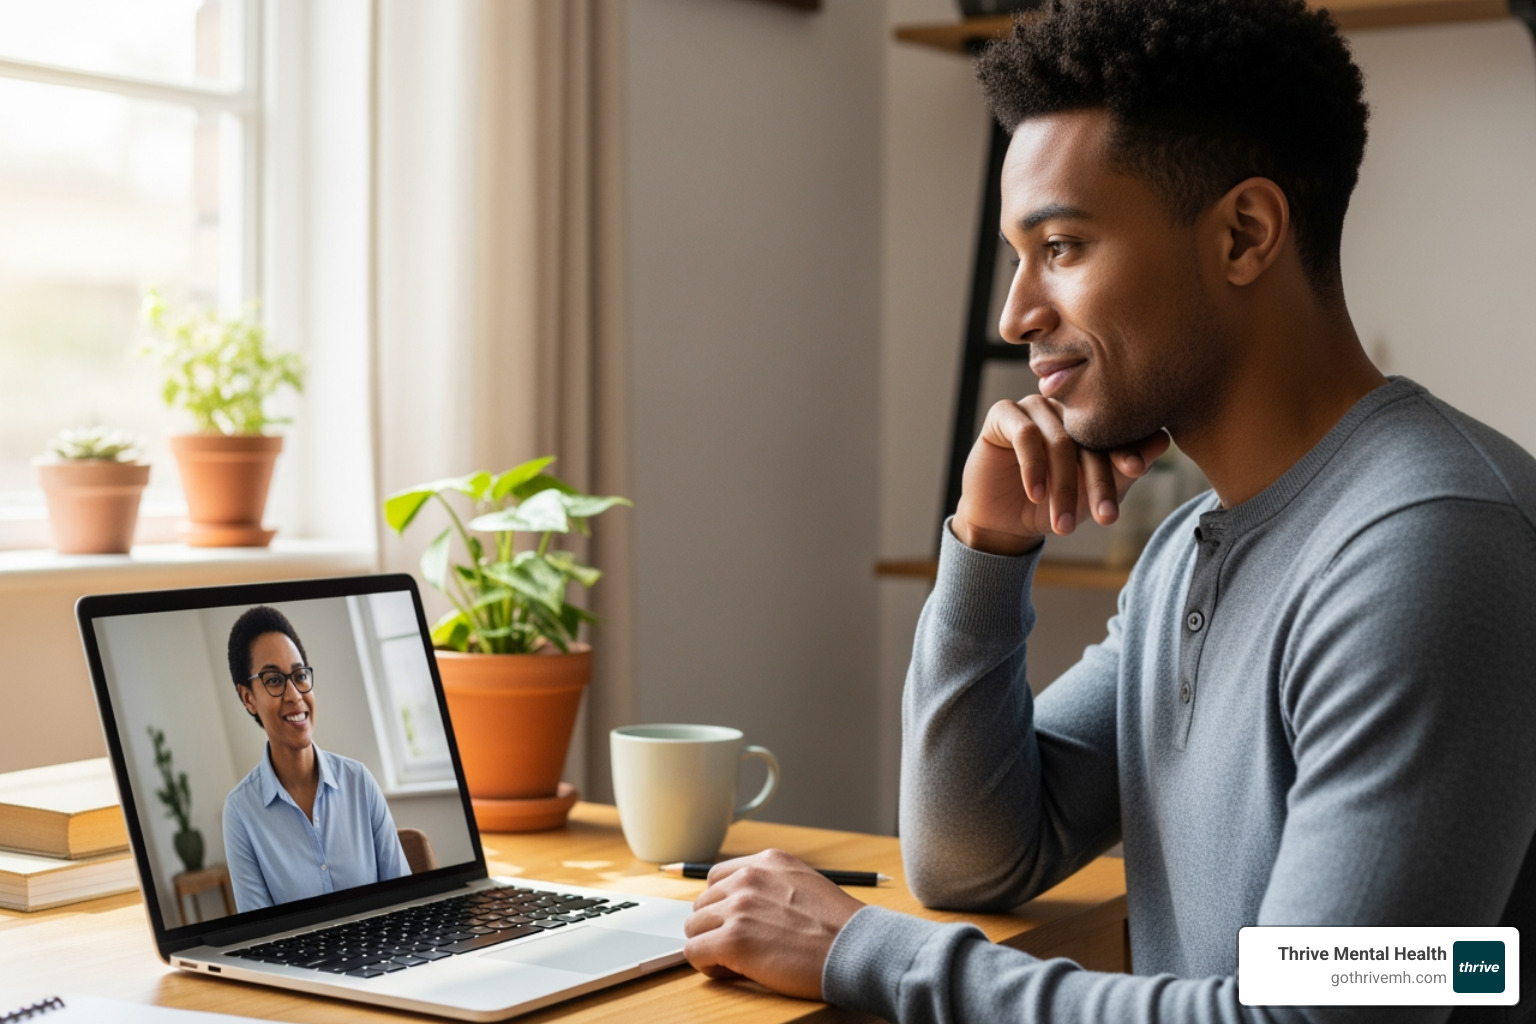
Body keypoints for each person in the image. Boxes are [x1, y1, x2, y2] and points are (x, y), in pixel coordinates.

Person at [681, 1, 1536, 1020]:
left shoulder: (1431, 548)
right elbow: (971, 855)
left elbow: (1324, 1011)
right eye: (1016, 253)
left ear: (1245, 234)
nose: (1015, 314)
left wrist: (870, 951)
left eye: (1064, 247)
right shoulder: (1188, 549)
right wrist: (987, 543)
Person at [222, 605, 410, 913]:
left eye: (299, 675)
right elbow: (263, 939)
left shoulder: (359, 781)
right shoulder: (241, 812)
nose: (294, 695)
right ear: (248, 698)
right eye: (273, 680)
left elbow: (405, 904)